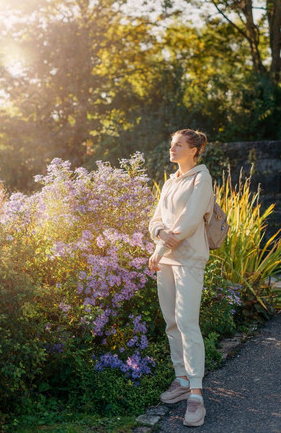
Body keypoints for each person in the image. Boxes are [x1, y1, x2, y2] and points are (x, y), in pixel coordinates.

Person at [148, 128, 214, 428]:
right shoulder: (170, 182)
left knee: (187, 322)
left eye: (178, 145)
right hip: (166, 259)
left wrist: (161, 246)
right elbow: (156, 219)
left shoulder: (201, 178)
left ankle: (196, 397)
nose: (172, 149)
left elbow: (188, 221)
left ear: (193, 150)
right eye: (171, 144)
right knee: (172, 323)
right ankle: (182, 380)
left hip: (188, 259)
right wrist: (159, 233)